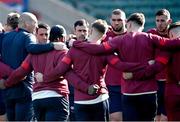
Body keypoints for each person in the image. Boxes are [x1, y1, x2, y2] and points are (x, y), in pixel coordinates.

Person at [69, 12, 180, 121]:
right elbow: (171, 44)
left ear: (129, 24)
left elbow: (97, 49)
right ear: (142, 25)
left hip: (129, 92)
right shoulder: (151, 37)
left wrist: (75, 43)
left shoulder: (119, 40)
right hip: (149, 92)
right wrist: (146, 65)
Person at [0, 12, 65, 121]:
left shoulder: (5, 37)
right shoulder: (28, 36)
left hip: (7, 91)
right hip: (24, 91)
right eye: (35, 23)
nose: (36, 26)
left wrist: (5, 76)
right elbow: (31, 48)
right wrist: (52, 45)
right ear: (26, 24)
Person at [102, 9, 127, 121]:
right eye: (114, 20)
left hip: (130, 84)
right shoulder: (104, 37)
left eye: (119, 20)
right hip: (111, 85)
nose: (116, 23)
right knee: (114, 118)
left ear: (125, 21)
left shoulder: (132, 36)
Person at [147, 9, 172, 121]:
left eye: (162, 20)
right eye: (157, 20)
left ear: (169, 21)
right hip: (154, 82)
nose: (160, 23)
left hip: (169, 82)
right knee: (155, 117)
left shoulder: (174, 34)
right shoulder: (150, 34)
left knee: (166, 118)